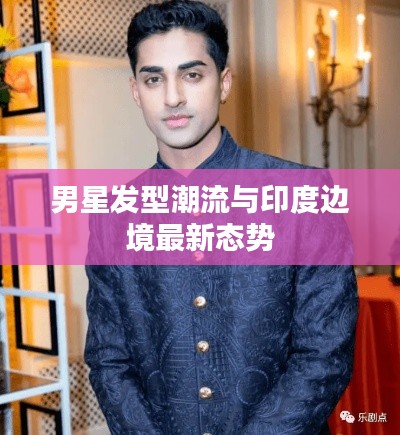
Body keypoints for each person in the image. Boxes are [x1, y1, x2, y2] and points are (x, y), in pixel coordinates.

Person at [84, 1, 358, 434]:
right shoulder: (113, 218)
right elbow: (109, 360)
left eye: (192, 75)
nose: (172, 97)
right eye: (154, 79)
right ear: (136, 91)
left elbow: (324, 354)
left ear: (224, 83)